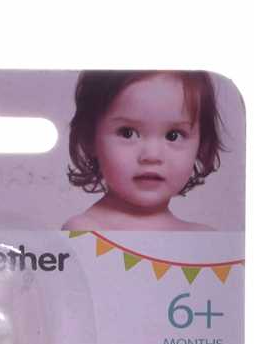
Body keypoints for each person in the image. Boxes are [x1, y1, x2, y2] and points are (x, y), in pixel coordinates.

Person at [63, 70, 225, 231]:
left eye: (173, 135)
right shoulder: (85, 231)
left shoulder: (204, 237)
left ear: (201, 145)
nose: (152, 156)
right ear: (89, 139)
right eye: (127, 133)